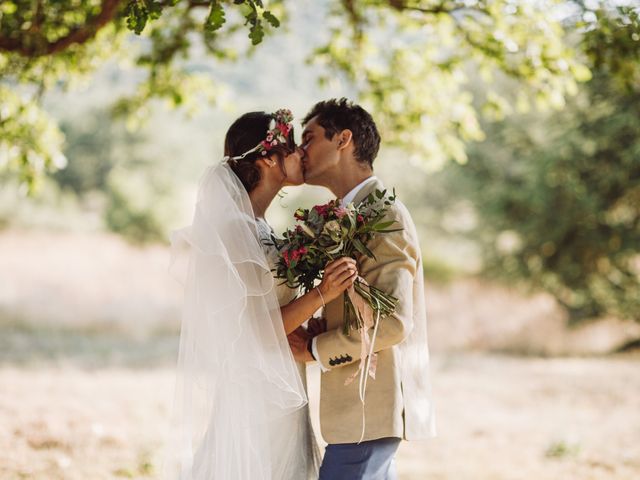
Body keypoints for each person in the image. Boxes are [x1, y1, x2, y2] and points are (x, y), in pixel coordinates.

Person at [167, 109, 357, 479]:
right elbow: (258, 329)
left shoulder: (260, 225)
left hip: (283, 376)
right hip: (257, 390)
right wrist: (323, 292)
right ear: (269, 158)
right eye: (293, 147)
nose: (303, 153)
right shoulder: (235, 230)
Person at [289, 98, 436, 480]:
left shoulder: (384, 215)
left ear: (343, 140)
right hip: (358, 413)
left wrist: (315, 349)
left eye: (309, 138)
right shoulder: (351, 212)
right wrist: (327, 322)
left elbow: (392, 322)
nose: (300, 151)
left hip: (371, 405)